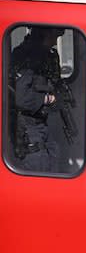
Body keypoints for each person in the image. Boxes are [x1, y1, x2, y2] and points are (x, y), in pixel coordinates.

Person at [9, 27, 64, 172]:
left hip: (40, 123)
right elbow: (22, 99)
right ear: (45, 33)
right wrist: (47, 99)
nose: (54, 42)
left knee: (54, 155)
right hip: (26, 126)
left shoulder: (46, 55)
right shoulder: (27, 57)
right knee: (40, 166)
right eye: (54, 36)